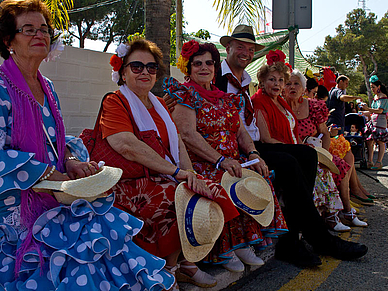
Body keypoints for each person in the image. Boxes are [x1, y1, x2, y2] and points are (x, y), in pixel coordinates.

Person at [0, 0, 174, 290]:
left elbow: (55, 142)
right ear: (8, 40)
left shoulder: (48, 87)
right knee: (73, 252)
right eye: (28, 29)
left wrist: (71, 162)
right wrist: (45, 174)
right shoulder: (2, 87)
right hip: (17, 203)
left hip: (56, 190)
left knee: (99, 236)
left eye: (43, 29)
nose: (39, 35)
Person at [215, 25, 367, 268]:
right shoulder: (217, 77)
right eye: (240, 46)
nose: (245, 52)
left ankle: (294, 238)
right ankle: (315, 239)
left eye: (250, 48)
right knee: (289, 162)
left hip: (249, 144)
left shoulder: (243, 79)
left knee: (307, 154)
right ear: (228, 47)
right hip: (232, 148)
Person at [100, 38, 229, 289]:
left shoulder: (159, 104)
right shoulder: (114, 101)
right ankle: (169, 268)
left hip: (160, 175)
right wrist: (177, 172)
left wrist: (190, 173)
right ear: (122, 72)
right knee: (173, 198)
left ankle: (181, 263)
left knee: (209, 190)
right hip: (127, 181)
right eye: (136, 66)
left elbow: (177, 141)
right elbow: (126, 145)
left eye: (151, 67)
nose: (145, 72)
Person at [163, 40, 288, 272]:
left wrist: (253, 153)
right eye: (197, 63)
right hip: (202, 162)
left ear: (215, 67)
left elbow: (240, 131)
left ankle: (244, 241)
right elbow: (188, 135)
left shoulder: (226, 97)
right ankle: (227, 248)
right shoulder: (185, 94)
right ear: (188, 68)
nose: (204, 68)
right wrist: (220, 160)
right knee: (224, 180)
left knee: (257, 173)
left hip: (231, 159)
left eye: (209, 63)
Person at [283, 69, 367, 230]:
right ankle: (330, 216)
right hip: (295, 154)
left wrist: (326, 154)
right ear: (283, 87)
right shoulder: (281, 107)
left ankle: (345, 210)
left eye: (296, 84)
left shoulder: (313, 106)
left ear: (303, 88)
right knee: (319, 170)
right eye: (288, 83)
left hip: (316, 151)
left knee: (337, 164)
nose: (292, 87)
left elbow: (325, 133)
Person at [361, 75, 388, 170]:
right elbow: (372, 111)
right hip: (373, 120)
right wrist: (363, 112)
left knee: (380, 141)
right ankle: (370, 161)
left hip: (380, 121)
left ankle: (379, 162)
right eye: (371, 87)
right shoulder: (376, 97)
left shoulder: (382, 97)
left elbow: (380, 110)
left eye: (373, 87)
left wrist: (367, 109)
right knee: (369, 140)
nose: (372, 89)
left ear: (379, 87)